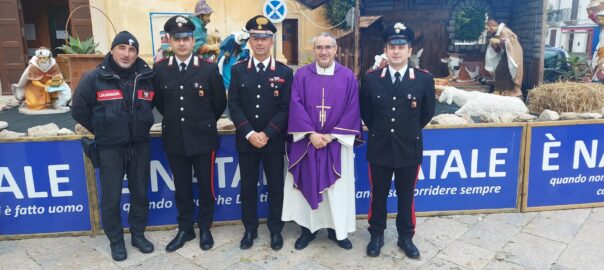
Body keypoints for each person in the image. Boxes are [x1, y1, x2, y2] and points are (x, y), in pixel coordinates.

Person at [71, 31, 155, 261]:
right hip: (110, 148)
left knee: (140, 193)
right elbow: (79, 111)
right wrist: (103, 130)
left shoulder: (146, 76)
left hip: (139, 146)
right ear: (112, 50)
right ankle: (116, 241)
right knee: (111, 197)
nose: (126, 54)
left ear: (137, 53)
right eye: (122, 48)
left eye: (132, 50)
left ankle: (138, 235)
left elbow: (154, 104)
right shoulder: (94, 77)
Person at [360, 22, 435, 258]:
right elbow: (366, 113)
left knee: (406, 196)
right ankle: (377, 235)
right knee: (378, 195)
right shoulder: (372, 79)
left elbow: (427, 113)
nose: (396, 51)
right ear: (385, 49)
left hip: (408, 148)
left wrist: (405, 131)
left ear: (410, 50)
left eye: (401, 47)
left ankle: (405, 237)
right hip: (380, 146)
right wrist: (382, 131)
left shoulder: (423, 79)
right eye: (392, 46)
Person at [282, 32, 362, 251]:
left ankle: (338, 231)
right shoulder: (301, 75)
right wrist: (311, 134)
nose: (324, 52)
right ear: (314, 50)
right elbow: (295, 105)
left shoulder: (347, 76)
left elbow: (352, 109)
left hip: (335, 142)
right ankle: (308, 230)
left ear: (336, 50)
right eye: (319, 47)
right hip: (308, 142)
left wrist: (332, 136)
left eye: (328, 47)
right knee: (308, 183)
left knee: (336, 191)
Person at [153, 15, 227, 252]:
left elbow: (218, 103)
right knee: (182, 188)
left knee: (206, 187)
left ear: (193, 40)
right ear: (169, 41)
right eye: (177, 39)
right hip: (175, 138)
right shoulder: (160, 69)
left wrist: (202, 123)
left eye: (186, 38)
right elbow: (161, 103)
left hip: (203, 138)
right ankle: (185, 229)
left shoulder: (208, 68)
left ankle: (205, 227)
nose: (182, 43)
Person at [228, 15, 292, 251]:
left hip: (273, 142)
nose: (260, 43)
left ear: (271, 41)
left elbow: (286, 108)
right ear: (250, 41)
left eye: (265, 38)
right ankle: (250, 229)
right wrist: (249, 133)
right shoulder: (238, 70)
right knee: (248, 188)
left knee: (276, 187)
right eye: (255, 37)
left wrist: (266, 134)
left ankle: (276, 230)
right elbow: (233, 105)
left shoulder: (285, 72)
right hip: (247, 142)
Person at [12, 47, 71, 111]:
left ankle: (56, 103)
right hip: (36, 86)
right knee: (34, 105)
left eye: (44, 58)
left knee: (63, 91)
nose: (42, 60)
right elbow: (34, 81)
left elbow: (58, 78)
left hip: (50, 84)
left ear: (48, 58)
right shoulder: (33, 66)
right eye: (40, 58)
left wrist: (51, 85)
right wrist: (44, 86)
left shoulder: (54, 65)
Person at [484, 19, 523, 97]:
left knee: (506, 71)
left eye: (487, 28)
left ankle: (509, 90)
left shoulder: (504, 31)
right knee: (500, 70)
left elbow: (510, 43)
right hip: (507, 54)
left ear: (491, 25)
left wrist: (498, 41)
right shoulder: (498, 33)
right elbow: (500, 49)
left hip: (513, 55)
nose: (487, 31)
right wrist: (494, 44)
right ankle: (501, 90)